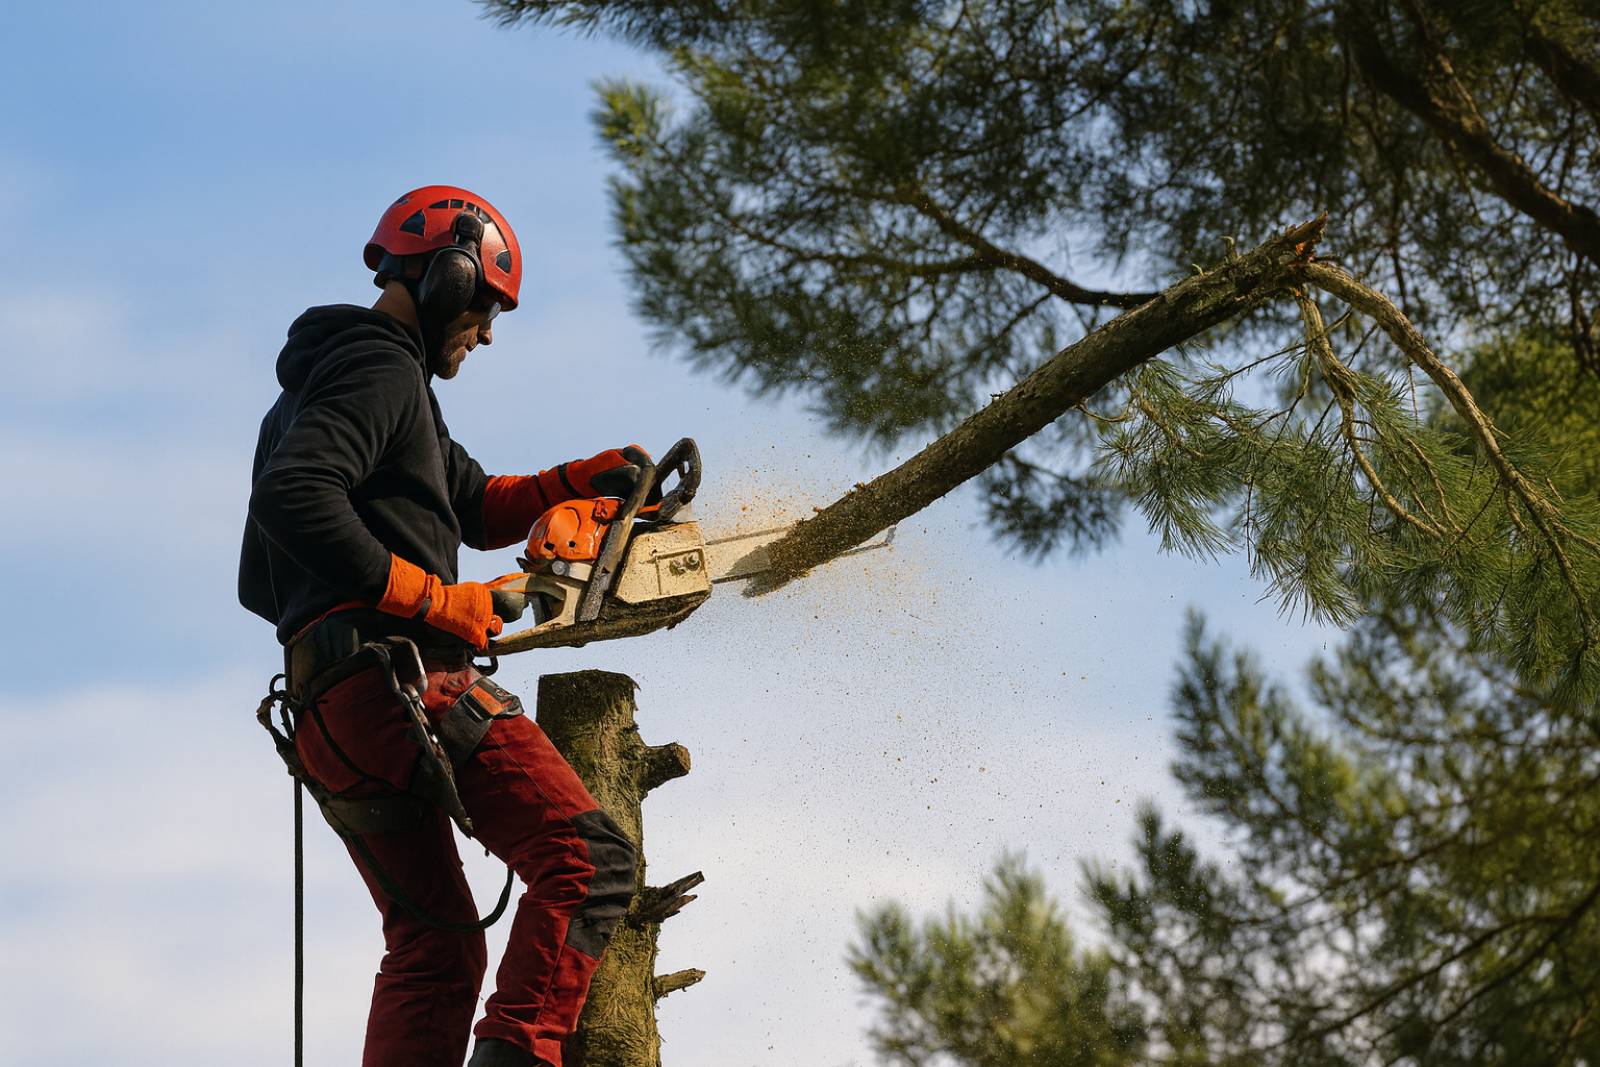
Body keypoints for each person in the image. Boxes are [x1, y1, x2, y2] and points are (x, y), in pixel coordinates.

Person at [239, 185, 645, 1067]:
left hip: (331, 709)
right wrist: (436, 600)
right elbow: (294, 496)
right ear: (451, 270)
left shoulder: (363, 380)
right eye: (486, 305)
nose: (488, 331)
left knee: (435, 950)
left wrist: (577, 479)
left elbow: (471, 501)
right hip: (400, 680)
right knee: (589, 860)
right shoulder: (377, 366)